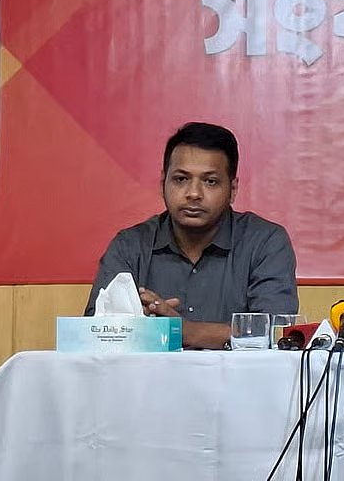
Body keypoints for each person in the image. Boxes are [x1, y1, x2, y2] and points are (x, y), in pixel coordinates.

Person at [85, 121, 298, 349]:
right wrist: (136, 323)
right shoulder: (130, 246)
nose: (194, 193)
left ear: (232, 189)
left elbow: (277, 335)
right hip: (150, 382)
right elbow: (93, 332)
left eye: (210, 181)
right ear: (162, 183)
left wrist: (177, 330)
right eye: (181, 179)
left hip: (238, 384)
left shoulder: (265, 243)